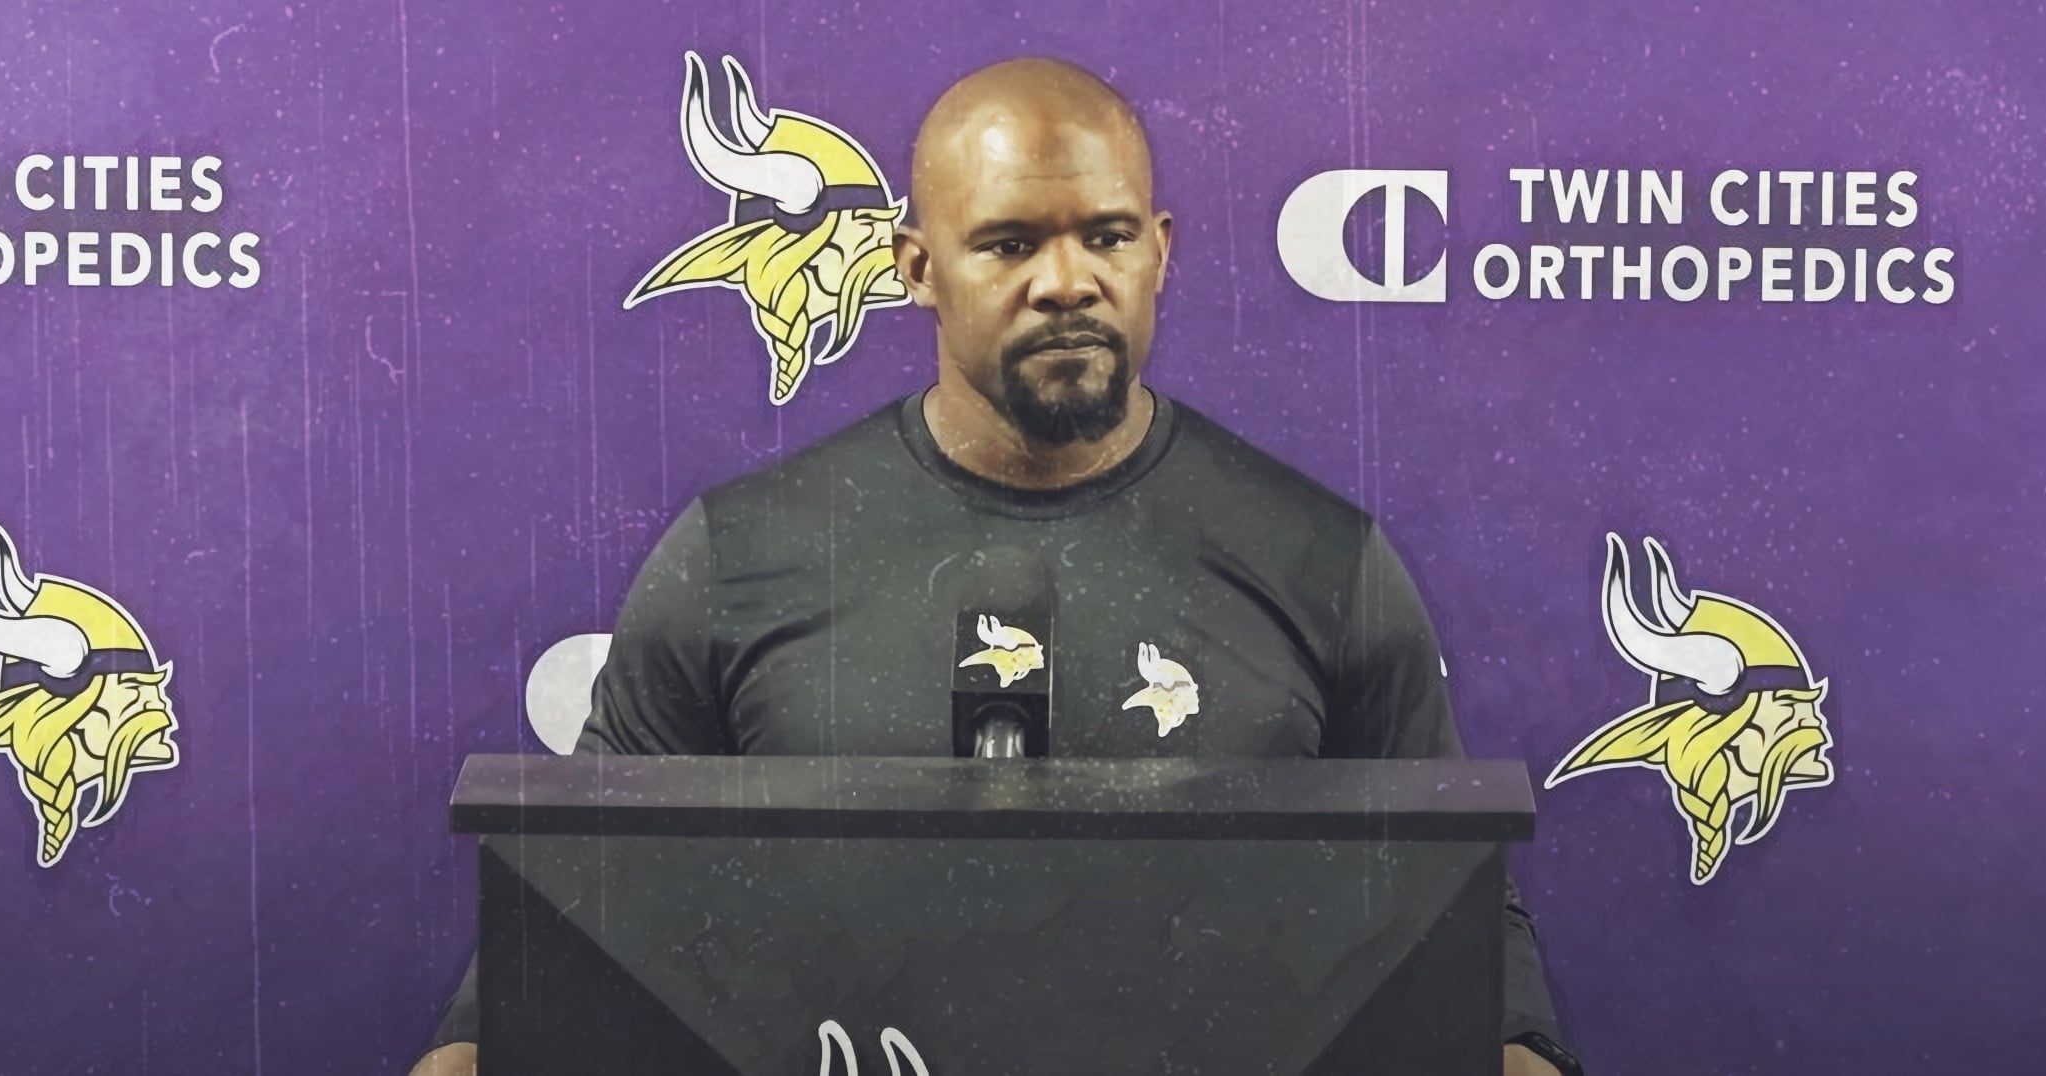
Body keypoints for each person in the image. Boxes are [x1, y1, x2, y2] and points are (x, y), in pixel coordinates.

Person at [414, 57, 1579, 1076]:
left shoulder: (1322, 561)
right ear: (918, 266)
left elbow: (1456, 911)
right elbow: (591, 898)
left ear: (1160, 252)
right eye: (1010, 243)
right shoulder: (739, 556)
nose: (1067, 280)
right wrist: (472, 1045)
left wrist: (1517, 1045)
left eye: (1107, 235)